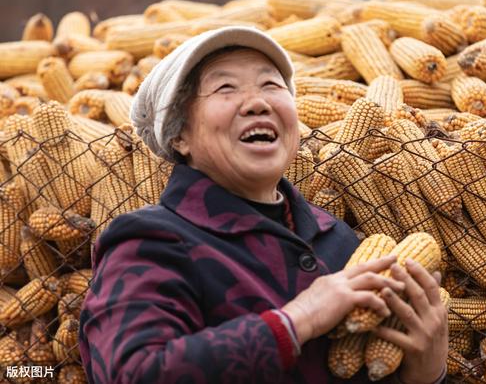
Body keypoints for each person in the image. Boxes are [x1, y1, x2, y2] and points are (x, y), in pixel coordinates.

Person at [78, 26, 448, 384]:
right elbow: (132, 372)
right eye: (226, 88)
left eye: (271, 85)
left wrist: (422, 375)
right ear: (180, 136)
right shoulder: (150, 240)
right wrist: (299, 319)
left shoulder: (338, 240)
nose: (258, 102)